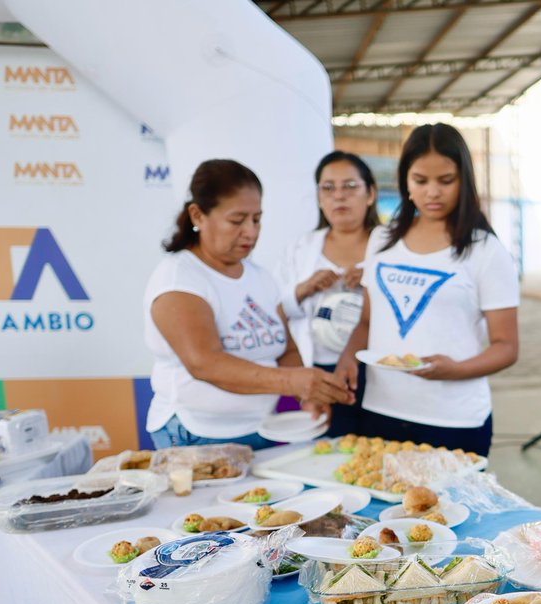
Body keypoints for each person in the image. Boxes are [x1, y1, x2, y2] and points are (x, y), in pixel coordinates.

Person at [334, 123, 519, 457]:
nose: (433, 192)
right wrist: (348, 357)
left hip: (455, 420)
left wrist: (456, 370)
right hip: (381, 411)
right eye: (421, 180)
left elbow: (506, 346)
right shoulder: (381, 240)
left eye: (445, 181)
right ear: (405, 180)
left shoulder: (486, 250)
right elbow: (366, 321)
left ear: (464, 180)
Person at [144, 159, 351, 449]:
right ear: (198, 215)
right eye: (237, 220)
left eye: (256, 219)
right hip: (195, 434)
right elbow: (205, 364)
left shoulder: (260, 277)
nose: (251, 232)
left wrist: (310, 396)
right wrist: (294, 383)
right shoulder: (180, 277)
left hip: (262, 430)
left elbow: (286, 349)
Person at [276, 151, 380, 436]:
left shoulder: (390, 248)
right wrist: (302, 290)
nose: (339, 196)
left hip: (377, 372)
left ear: (370, 194)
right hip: (320, 372)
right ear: (319, 197)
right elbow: (276, 313)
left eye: (350, 186)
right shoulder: (300, 249)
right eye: (328, 188)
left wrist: (375, 281)